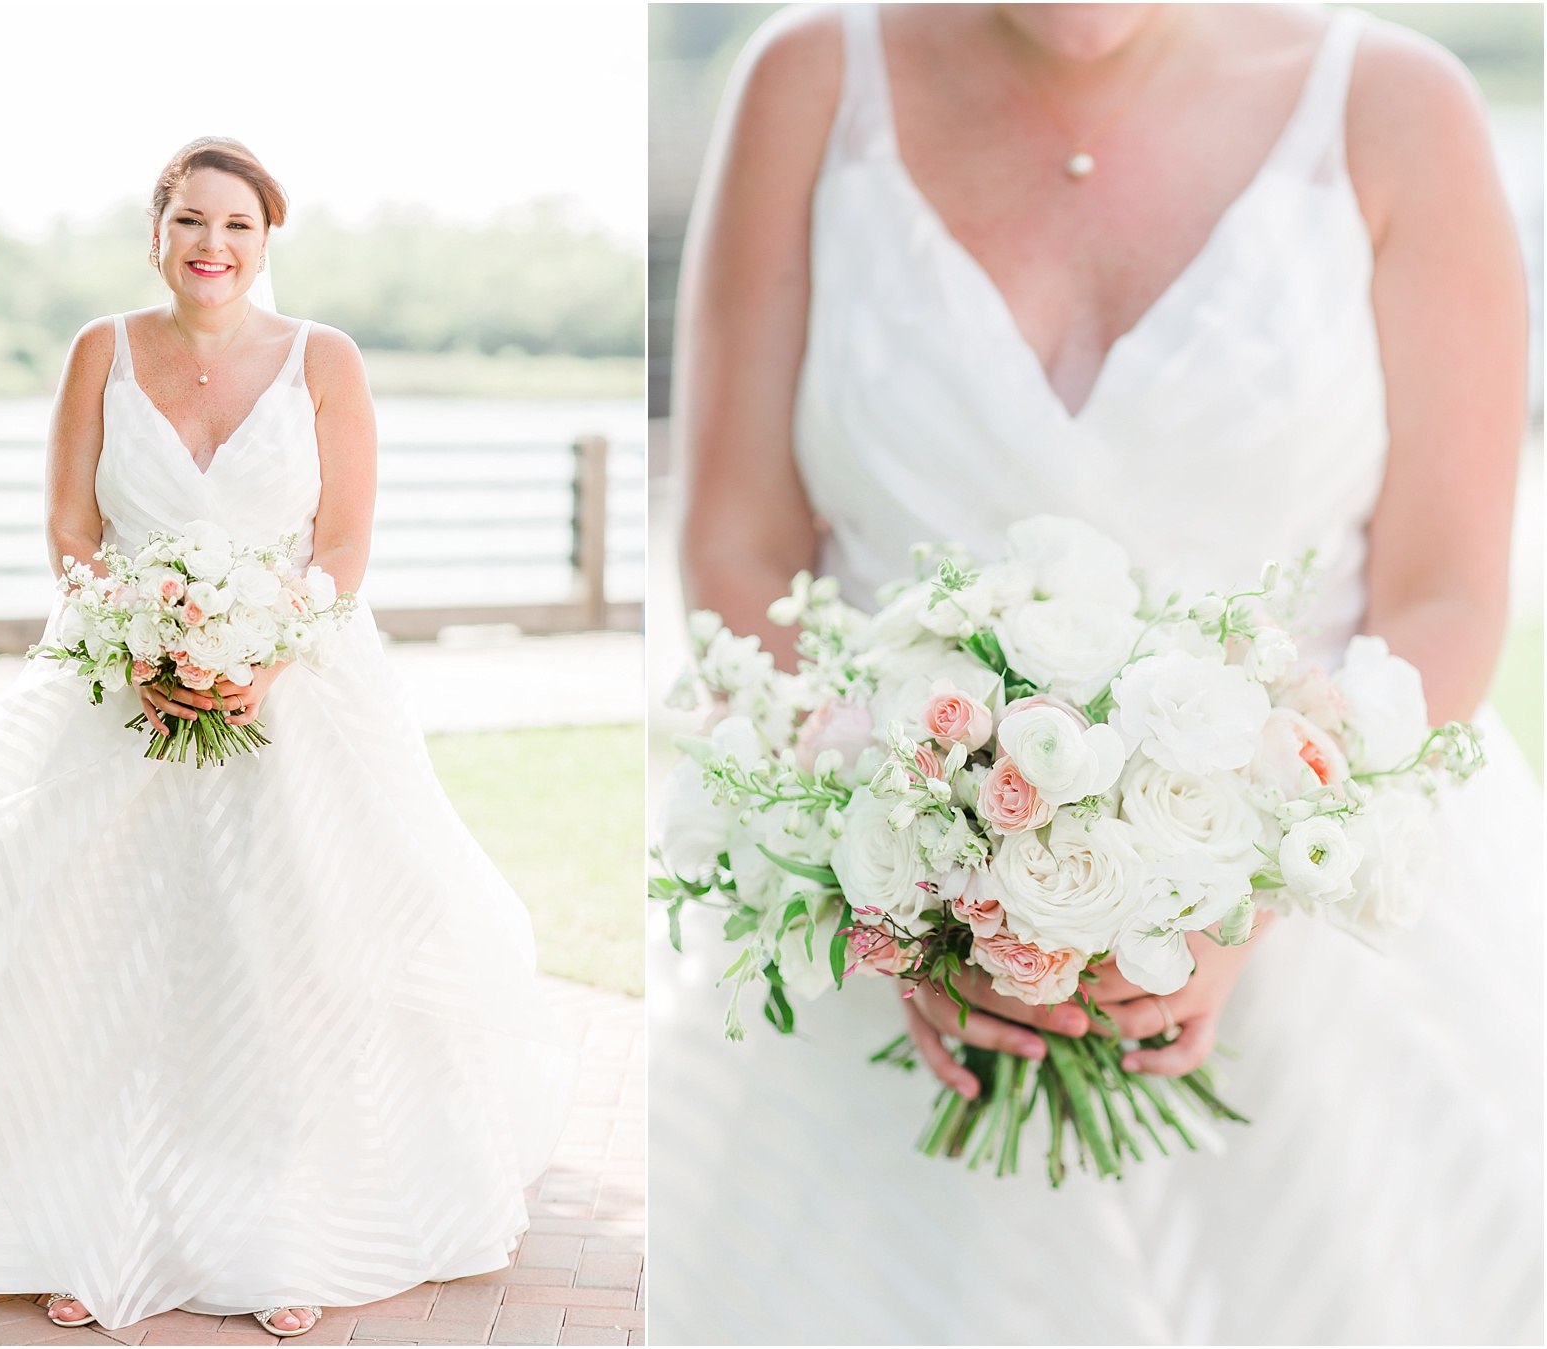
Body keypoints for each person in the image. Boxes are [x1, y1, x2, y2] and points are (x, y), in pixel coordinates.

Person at [653, 5, 1541, 1343]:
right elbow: (736, 540)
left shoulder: (1398, 104)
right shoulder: (806, 84)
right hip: (869, 918)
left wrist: (1256, 873)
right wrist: (900, 884)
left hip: (1327, 928)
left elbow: (1447, 587)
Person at [0, 137, 577, 1339]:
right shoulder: (99, 351)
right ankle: (86, 1224)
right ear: (155, 233)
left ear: (268, 242)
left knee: (289, 965)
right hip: (119, 691)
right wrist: (142, 645)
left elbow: (346, 546)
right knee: (92, 960)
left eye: (239, 226)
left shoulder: (327, 360)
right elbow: (68, 528)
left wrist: (258, 654)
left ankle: (289, 1233)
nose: (214, 245)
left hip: (293, 698)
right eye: (192, 220)